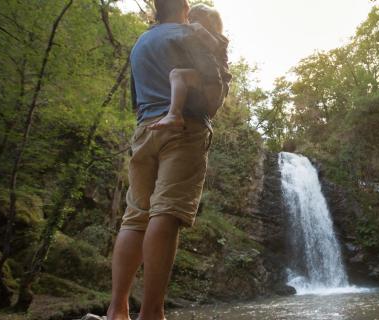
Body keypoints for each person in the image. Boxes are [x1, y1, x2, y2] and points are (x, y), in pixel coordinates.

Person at [106, 0, 226, 319]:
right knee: (167, 212)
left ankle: (117, 308)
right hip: (183, 128)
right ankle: (151, 313)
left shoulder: (141, 42)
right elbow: (214, 94)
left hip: (145, 129)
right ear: (184, 7)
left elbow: (137, 96)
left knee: (135, 217)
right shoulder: (190, 36)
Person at [147, 4, 232, 131]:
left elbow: (213, 46)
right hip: (208, 80)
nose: (190, 22)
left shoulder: (218, 38)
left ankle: (174, 114)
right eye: (190, 19)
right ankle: (178, 113)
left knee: (177, 75)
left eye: (196, 18)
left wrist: (196, 28)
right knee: (179, 75)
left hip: (217, 82)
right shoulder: (196, 35)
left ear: (211, 21)